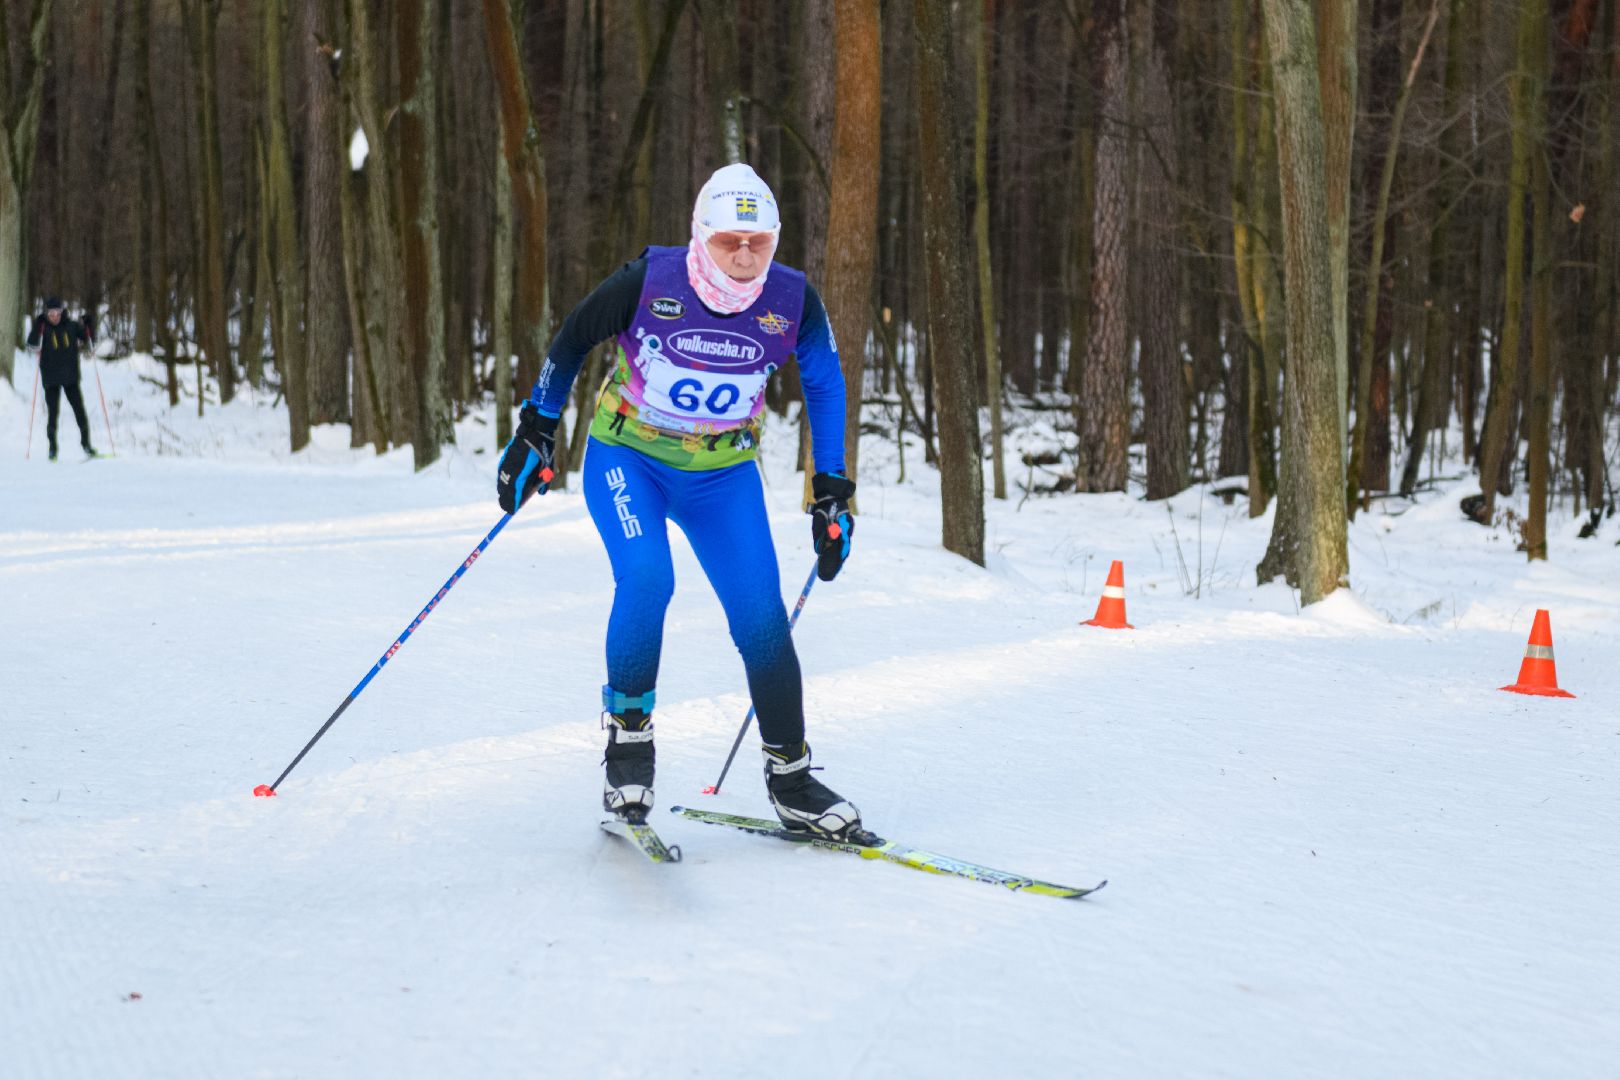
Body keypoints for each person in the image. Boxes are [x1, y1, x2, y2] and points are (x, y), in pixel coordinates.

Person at [496, 163, 861, 838]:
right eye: (729, 241)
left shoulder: (793, 299)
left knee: (761, 618)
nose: (745, 255)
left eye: (759, 240)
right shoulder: (652, 280)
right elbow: (575, 336)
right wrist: (537, 428)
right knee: (648, 578)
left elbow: (826, 382)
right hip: (629, 458)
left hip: (722, 474)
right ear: (702, 236)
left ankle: (792, 777)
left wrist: (831, 490)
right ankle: (629, 745)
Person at [27, 297, 97, 461]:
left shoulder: (71, 326)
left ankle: (86, 444)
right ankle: (52, 448)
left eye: (57, 313)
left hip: (70, 376)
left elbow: (88, 339)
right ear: (47, 313)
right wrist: (37, 327)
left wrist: (89, 324)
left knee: (79, 410)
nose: (54, 317)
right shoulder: (43, 327)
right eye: (51, 313)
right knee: (53, 413)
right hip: (50, 377)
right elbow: (31, 345)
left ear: (61, 312)